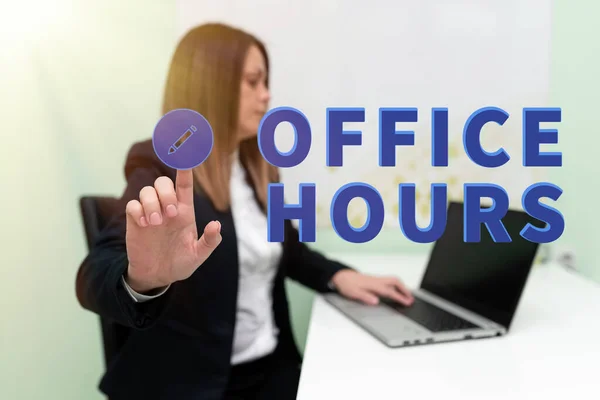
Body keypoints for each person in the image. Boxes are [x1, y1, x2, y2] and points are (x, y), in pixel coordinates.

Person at [75, 22, 414, 400]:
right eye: (253, 81)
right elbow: (95, 274)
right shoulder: (161, 166)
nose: (267, 95)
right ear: (211, 85)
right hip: (197, 385)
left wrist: (341, 276)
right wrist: (143, 279)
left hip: (273, 370)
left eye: (266, 82)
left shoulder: (260, 168)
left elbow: (290, 252)